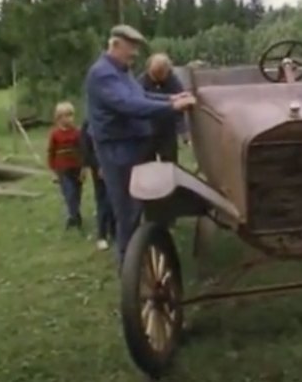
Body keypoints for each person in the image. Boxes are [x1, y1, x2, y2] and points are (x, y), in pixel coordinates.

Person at [85, 24, 196, 266]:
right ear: (115, 45)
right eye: (130, 49)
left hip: (132, 146)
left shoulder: (121, 71)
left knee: (137, 207)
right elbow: (129, 105)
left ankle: (138, 258)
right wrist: (171, 107)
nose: (134, 54)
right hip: (118, 150)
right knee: (127, 211)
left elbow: (141, 96)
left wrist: (171, 97)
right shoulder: (103, 74)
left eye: (136, 49)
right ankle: (129, 270)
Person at [137, 53, 189, 163]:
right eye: (154, 74)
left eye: (161, 74)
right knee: (146, 165)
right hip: (147, 130)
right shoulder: (141, 82)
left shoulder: (173, 81)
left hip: (167, 130)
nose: (157, 78)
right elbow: (138, 103)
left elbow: (180, 107)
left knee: (170, 164)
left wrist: (183, 131)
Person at [47, 101, 85, 230]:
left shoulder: (77, 133)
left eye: (71, 115)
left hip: (76, 167)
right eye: (65, 116)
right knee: (69, 193)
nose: (69, 118)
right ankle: (73, 216)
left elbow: (83, 150)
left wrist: (84, 168)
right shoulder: (55, 134)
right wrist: (53, 171)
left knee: (77, 193)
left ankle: (75, 214)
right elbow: (51, 152)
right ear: (58, 118)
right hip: (62, 169)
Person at [80, 119, 115, 251]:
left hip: (114, 163)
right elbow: (86, 146)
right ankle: (102, 235)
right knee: (103, 200)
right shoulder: (90, 122)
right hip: (99, 166)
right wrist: (97, 165)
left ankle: (114, 230)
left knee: (114, 199)